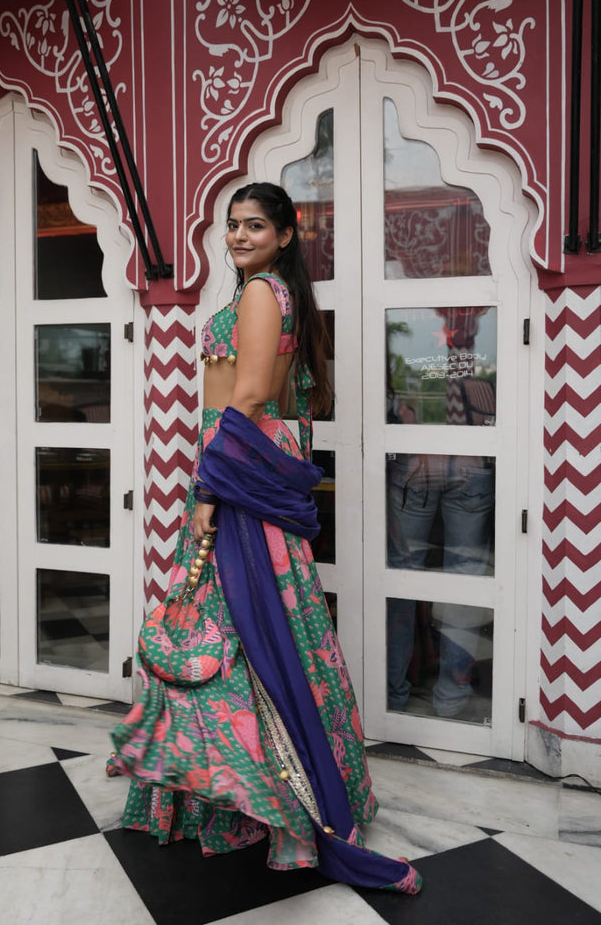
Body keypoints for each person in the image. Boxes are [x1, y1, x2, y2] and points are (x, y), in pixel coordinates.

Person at [107, 182, 422, 895]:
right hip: (242, 470)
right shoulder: (282, 296)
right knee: (248, 638)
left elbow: (247, 398)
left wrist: (210, 492)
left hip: (236, 477)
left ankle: (266, 803)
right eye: (231, 224)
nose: (239, 235)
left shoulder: (260, 294)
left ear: (285, 234)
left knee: (226, 637)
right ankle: (248, 801)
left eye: (255, 224)